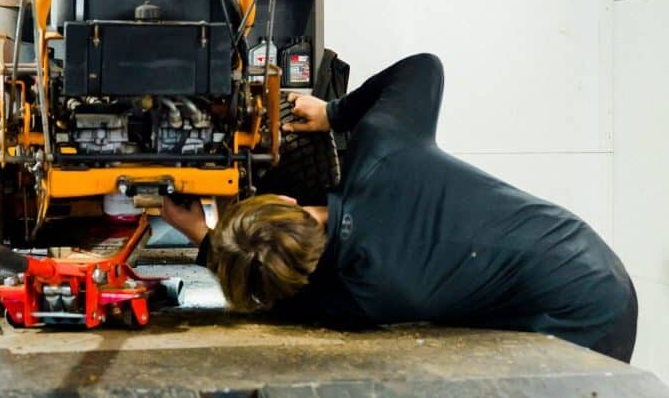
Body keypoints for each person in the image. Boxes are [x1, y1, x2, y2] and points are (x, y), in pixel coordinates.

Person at [161, 53, 637, 362]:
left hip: (580, 309)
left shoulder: (354, 299)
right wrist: (333, 113)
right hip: (577, 258)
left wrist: (203, 238)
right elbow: (425, 67)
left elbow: (285, 300)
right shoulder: (382, 153)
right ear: (286, 202)